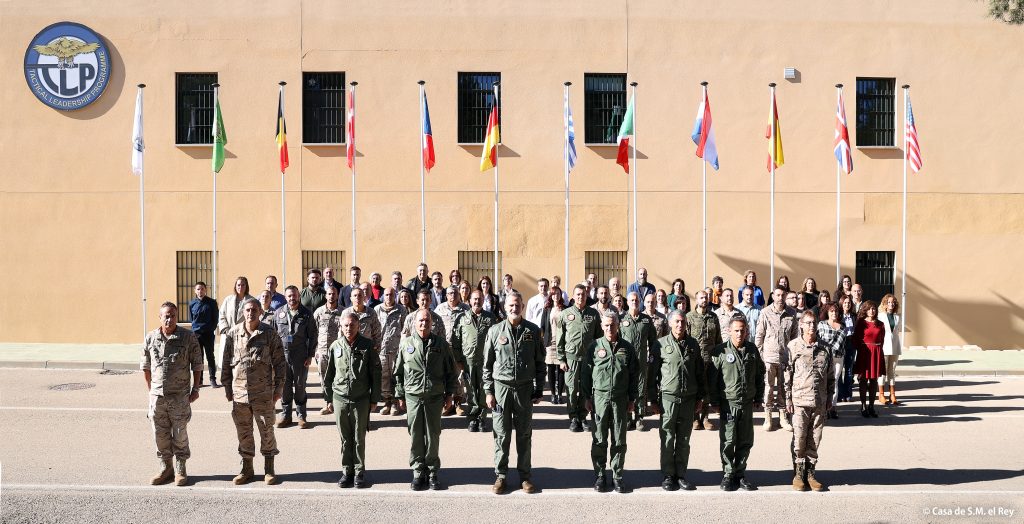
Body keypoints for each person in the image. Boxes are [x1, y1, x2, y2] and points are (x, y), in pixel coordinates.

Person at [483, 292, 545, 494]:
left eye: (517, 304)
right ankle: (501, 476)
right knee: (501, 434)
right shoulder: (494, 331)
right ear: (504, 307)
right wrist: (489, 391)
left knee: (524, 434)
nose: (514, 308)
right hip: (502, 389)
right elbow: (487, 365)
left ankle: (525, 477)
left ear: (523, 305)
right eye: (510, 305)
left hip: (524, 389)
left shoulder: (533, 331)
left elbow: (539, 362)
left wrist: (538, 389)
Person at [221, 298, 286, 485]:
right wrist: (227, 387)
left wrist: (278, 389)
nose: (250, 313)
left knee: (267, 431)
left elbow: (281, 363)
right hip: (239, 393)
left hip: (263, 393)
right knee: (244, 433)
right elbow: (226, 362)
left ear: (260, 312)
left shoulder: (269, 333)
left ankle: (269, 469)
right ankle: (246, 469)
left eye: (254, 310)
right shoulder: (233, 334)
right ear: (243, 311)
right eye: (248, 310)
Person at [394, 309, 458, 491]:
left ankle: (432, 472)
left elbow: (450, 373)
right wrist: (399, 395)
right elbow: (398, 373)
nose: (424, 324)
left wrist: (450, 395)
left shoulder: (441, 345)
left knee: (433, 436)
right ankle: (417, 472)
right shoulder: (406, 344)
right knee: (415, 436)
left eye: (427, 321)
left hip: (434, 397)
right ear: (415, 323)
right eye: (421, 320)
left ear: (432, 323)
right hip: (413, 396)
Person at [143, 302, 203, 486]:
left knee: (179, 433)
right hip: (158, 396)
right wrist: (152, 391)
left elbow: (198, 365)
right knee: (159, 434)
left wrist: (196, 389)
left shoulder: (188, 337)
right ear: (160, 317)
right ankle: (165, 468)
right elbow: (146, 367)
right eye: (166, 316)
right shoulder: (151, 338)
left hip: (179, 396)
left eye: (173, 316)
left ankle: (180, 468)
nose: (169, 319)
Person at [582, 311, 639, 493]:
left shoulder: (627, 348)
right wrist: (586, 397)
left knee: (619, 439)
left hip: (620, 399)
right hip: (599, 398)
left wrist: (632, 399)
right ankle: (600, 475)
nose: (609, 328)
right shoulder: (594, 347)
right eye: (606, 325)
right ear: (601, 326)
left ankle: (617, 475)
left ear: (618, 325)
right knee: (599, 438)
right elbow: (585, 374)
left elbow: (634, 375)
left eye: (612, 325)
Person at [323, 312, 382, 489]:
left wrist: (374, 399)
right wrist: (328, 398)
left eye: (352, 325)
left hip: (360, 399)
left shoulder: (367, 345)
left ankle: (359, 472)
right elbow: (329, 374)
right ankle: (346, 471)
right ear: (341, 326)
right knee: (345, 438)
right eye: (346, 325)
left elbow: (376, 374)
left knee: (358, 438)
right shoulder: (335, 346)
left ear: (358, 326)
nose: (349, 328)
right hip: (340, 398)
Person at [707, 316, 765, 492]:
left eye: (743, 330)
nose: (740, 334)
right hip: (728, 404)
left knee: (745, 440)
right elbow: (713, 379)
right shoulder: (721, 351)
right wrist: (715, 401)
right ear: (729, 331)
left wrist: (758, 397)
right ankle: (728, 474)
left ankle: (740, 473)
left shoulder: (752, 350)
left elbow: (759, 375)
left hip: (746, 403)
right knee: (729, 439)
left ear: (747, 331)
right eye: (736, 330)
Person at [651, 309, 705, 491]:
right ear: (670, 323)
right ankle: (668, 475)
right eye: (677, 322)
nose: (680, 325)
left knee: (683, 438)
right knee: (667, 438)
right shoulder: (660, 345)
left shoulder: (693, 344)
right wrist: (652, 400)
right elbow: (653, 375)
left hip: (688, 399)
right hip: (668, 399)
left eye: (682, 322)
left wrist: (700, 397)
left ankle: (680, 474)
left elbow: (699, 373)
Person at [784, 310, 834, 492]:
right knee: (799, 439)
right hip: (799, 401)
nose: (812, 326)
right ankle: (798, 474)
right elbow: (787, 375)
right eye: (808, 323)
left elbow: (830, 376)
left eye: (814, 323)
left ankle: (810, 474)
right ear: (802, 325)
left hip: (819, 401)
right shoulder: (793, 347)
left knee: (815, 439)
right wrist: (787, 398)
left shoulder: (825, 348)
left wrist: (830, 396)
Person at [557, 284, 603, 432]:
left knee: (585, 389)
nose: (580, 297)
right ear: (573, 296)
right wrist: (561, 359)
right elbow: (560, 339)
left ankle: (583, 416)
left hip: (588, 359)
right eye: (577, 294)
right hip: (571, 358)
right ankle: (573, 418)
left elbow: (599, 337)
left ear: (586, 295)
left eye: (583, 294)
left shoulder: (593, 314)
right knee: (571, 388)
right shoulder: (565, 314)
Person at [452, 289, 497, 432]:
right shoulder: (462, 318)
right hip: (468, 361)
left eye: (479, 299)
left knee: (484, 390)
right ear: (469, 301)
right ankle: (472, 419)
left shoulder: (490, 318)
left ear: (483, 300)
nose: (477, 301)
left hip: (485, 362)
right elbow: (456, 340)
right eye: (474, 299)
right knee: (471, 391)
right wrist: (458, 360)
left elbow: (495, 340)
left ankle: (482, 418)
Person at [272, 285, 317, 429]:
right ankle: (286, 415)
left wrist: (310, 355)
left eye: (294, 295)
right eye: (289, 296)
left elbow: (313, 335)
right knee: (284, 386)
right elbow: (272, 335)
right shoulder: (279, 313)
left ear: (299, 296)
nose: (292, 298)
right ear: (286, 297)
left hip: (300, 355)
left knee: (299, 386)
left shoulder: (307, 314)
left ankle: (301, 416)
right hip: (282, 355)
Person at [755, 287, 798, 432]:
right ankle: (768, 417)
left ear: (786, 296)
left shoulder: (791, 313)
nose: (780, 297)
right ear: (773, 296)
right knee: (768, 389)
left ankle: (783, 417)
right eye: (777, 295)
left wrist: (792, 356)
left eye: (782, 295)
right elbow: (759, 336)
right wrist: (760, 357)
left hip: (784, 358)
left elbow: (794, 337)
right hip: (769, 357)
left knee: (784, 389)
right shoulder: (765, 312)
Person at [619, 292, 657, 432]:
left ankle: (639, 416)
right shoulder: (622, 319)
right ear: (627, 302)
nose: (634, 302)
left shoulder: (646, 320)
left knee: (641, 388)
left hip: (641, 360)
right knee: (626, 388)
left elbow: (653, 341)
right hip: (626, 361)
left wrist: (652, 357)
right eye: (632, 300)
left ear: (639, 302)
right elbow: (618, 340)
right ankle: (628, 416)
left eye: (636, 300)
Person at [686, 290, 721, 431]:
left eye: (706, 297)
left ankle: (705, 418)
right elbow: (686, 339)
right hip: (695, 358)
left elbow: (718, 339)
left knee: (707, 388)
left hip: (710, 358)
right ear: (696, 300)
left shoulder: (713, 317)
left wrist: (719, 355)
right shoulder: (689, 317)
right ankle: (695, 418)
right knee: (695, 388)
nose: (704, 300)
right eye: (701, 297)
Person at [374, 286, 408, 416]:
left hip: (396, 350)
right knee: (384, 377)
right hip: (381, 350)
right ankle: (386, 402)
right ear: (383, 296)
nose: (389, 297)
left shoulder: (401, 310)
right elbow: (374, 329)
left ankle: (395, 402)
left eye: (391, 295)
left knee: (396, 376)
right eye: (387, 295)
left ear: (395, 296)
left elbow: (405, 330)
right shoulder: (377, 310)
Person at [313, 286, 344, 416]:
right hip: (322, 352)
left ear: (337, 295)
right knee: (324, 378)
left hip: (338, 352)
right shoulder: (319, 312)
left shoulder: (343, 312)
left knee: (339, 378)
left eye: (334, 294)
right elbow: (313, 332)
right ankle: (328, 403)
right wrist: (314, 350)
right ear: (326, 296)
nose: (331, 296)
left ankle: (338, 403)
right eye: (329, 294)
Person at [853, 300, 885, 418]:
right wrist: (862, 350)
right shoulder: (861, 323)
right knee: (862, 380)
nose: (872, 311)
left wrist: (877, 351)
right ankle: (863, 405)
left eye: (874, 308)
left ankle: (872, 405)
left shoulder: (880, 324)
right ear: (865, 310)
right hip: (864, 353)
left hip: (876, 353)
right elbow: (856, 339)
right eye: (870, 308)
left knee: (873, 381)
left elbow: (882, 339)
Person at [816, 303, 846, 419]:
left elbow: (841, 345)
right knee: (824, 382)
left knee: (834, 382)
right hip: (824, 358)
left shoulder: (842, 327)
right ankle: (824, 408)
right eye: (831, 311)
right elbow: (818, 341)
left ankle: (833, 407)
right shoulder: (821, 325)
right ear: (827, 312)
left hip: (838, 358)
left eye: (836, 311)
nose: (834, 313)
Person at [188, 281, 219, 388]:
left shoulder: (212, 303)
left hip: (208, 334)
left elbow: (215, 319)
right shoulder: (192, 304)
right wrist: (196, 330)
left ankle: (212, 379)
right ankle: (199, 381)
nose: (200, 291)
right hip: (196, 334)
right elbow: (192, 319)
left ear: (205, 290)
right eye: (198, 289)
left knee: (210, 356)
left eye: (202, 289)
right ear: (195, 291)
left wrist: (210, 329)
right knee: (198, 358)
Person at [218, 276, 254, 355]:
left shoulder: (251, 300)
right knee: (227, 360)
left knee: (242, 360)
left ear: (246, 286)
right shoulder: (228, 299)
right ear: (235, 286)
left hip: (244, 334)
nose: (240, 287)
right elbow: (221, 315)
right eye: (238, 285)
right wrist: (226, 329)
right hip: (228, 333)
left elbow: (254, 317)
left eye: (243, 285)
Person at [545, 287, 568, 404]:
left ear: (561, 295)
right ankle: (553, 394)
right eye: (553, 294)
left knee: (561, 369)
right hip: (550, 341)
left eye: (558, 294)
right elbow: (542, 326)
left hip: (561, 341)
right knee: (550, 368)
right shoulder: (547, 309)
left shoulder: (565, 309)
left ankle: (560, 394)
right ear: (551, 295)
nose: (555, 296)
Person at [879, 294, 902, 406]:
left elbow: (896, 332)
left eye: (893, 302)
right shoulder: (881, 316)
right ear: (885, 304)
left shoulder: (898, 317)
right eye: (889, 302)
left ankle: (892, 394)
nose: (891, 304)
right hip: (884, 346)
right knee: (883, 371)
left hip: (895, 346)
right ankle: (881, 394)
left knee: (892, 370)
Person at [837, 294, 858, 403]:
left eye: (849, 303)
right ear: (841, 303)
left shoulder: (854, 316)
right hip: (841, 344)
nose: (847, 304)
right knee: (839, 370)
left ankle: (848, 394)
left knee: (849, 370)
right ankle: (840, 394)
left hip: (851, 343)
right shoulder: (838, 316)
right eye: (845, 302)